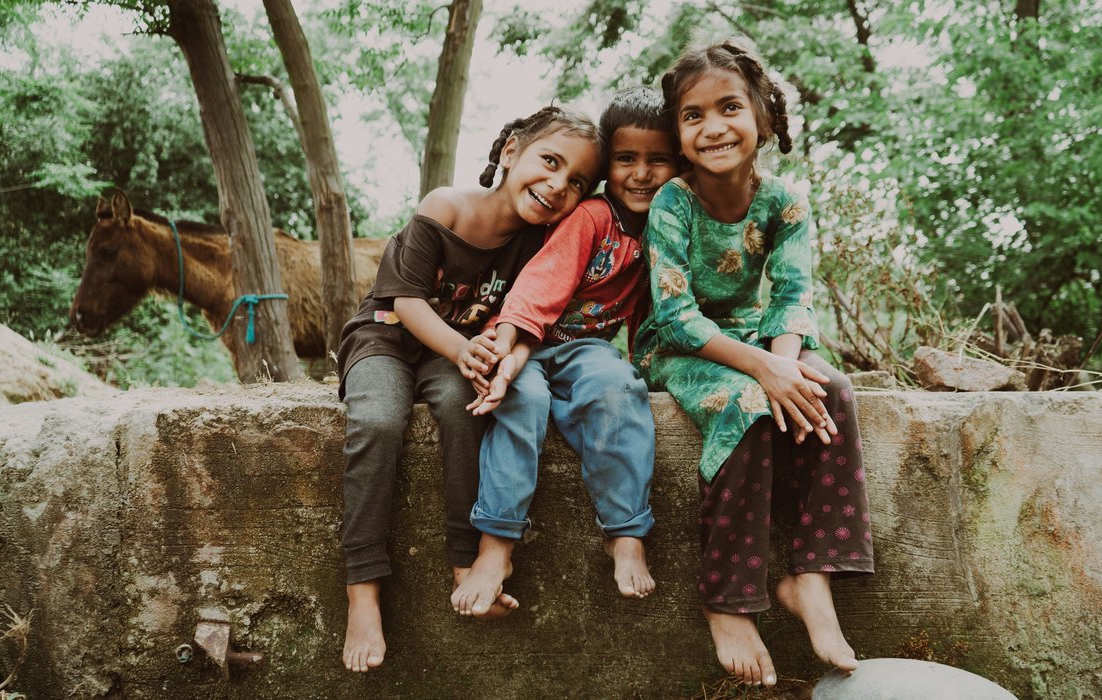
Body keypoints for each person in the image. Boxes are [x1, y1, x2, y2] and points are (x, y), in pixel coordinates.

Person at [633, 38, 874, 687]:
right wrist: (762, 373)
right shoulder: (672, 203)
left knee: (830, 389)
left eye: (729, 107)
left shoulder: (784, 202)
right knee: (746, 408)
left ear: (762, 116)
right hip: (680, 346)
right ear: (678, 134)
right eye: (692, 115)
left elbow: (793, 297)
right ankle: (729, 599)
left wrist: (787, 367)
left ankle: (810, 579)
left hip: (755, 338)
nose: (712, 126)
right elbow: (676, 315)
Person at [336, 106, 603, 673]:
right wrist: (462, 350)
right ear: (511, 152)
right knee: (379, 422)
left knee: (465, 409)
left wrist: (501, 360)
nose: (558, 185)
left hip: (454, 353)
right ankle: (363, 590)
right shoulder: (446, 205)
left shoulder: (543, 245)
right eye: (550, 162)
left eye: (576, 182)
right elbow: (406, 302)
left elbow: (533, 322)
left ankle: (468, 560)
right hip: (387, 335)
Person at [450, 87, 680, 618]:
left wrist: (650, 369)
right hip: (525, 339)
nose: (641, 174)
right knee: (520, 401)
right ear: (606, 170)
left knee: (618, 387)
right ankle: (496, 546)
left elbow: (653, 309)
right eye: (626, 160)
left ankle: (625, 533)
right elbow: (540, 286)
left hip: (585, 350)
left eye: (657, 161)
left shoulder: (667, 228)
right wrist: (507, 345)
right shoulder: (594, 216)